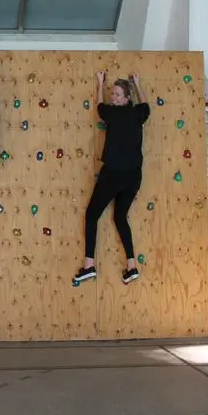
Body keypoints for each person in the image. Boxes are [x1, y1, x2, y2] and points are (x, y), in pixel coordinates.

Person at [73, 71, 149, 286]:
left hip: (114, 174)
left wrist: (99, 82)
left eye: (117, 95)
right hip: (133, 176)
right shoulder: (137, 113)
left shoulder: (112, 114)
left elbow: (99, 107)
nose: (113, 98)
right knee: (120, 217)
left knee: (91, 216)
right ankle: (132, 266)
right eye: (113, 94)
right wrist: (138, 84)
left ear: (126, 98)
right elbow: (146, 106)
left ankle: (89, 266)